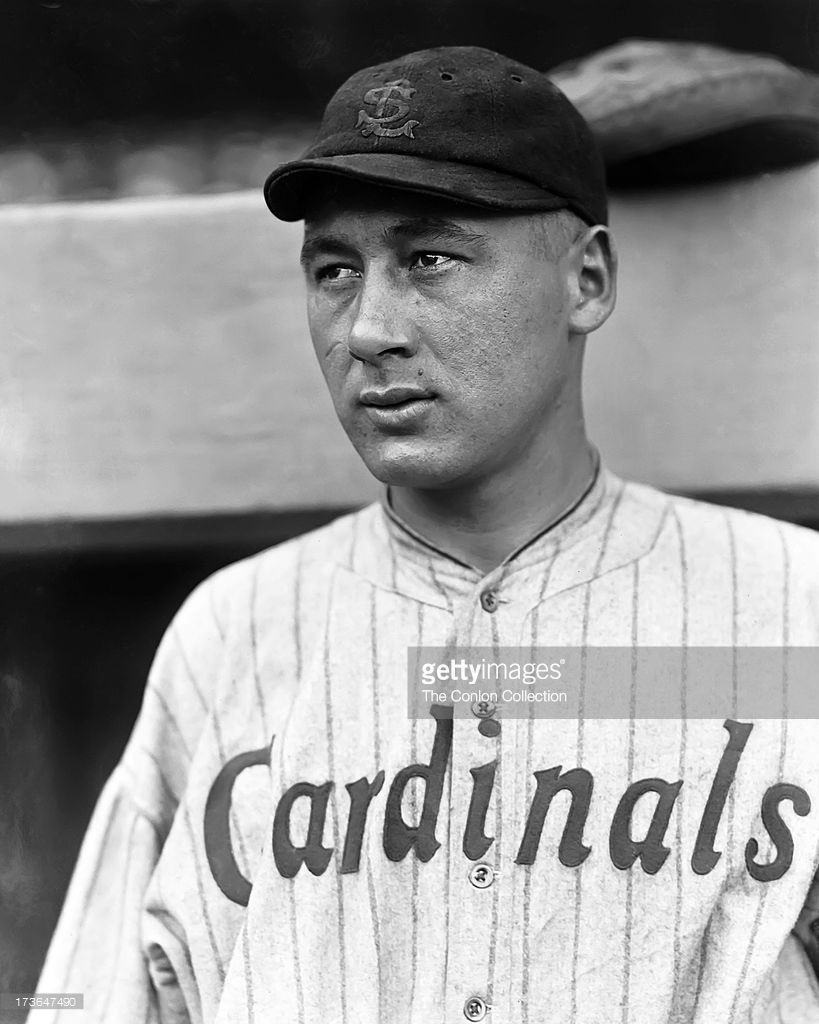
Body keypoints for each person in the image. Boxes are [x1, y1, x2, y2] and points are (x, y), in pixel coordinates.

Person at [35, 45, 819, 1023]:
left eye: (430, 259)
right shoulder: (233, 633)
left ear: (586, 281)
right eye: (334, 269)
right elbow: (91, 998)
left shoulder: (787, 608)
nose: (368, 329)